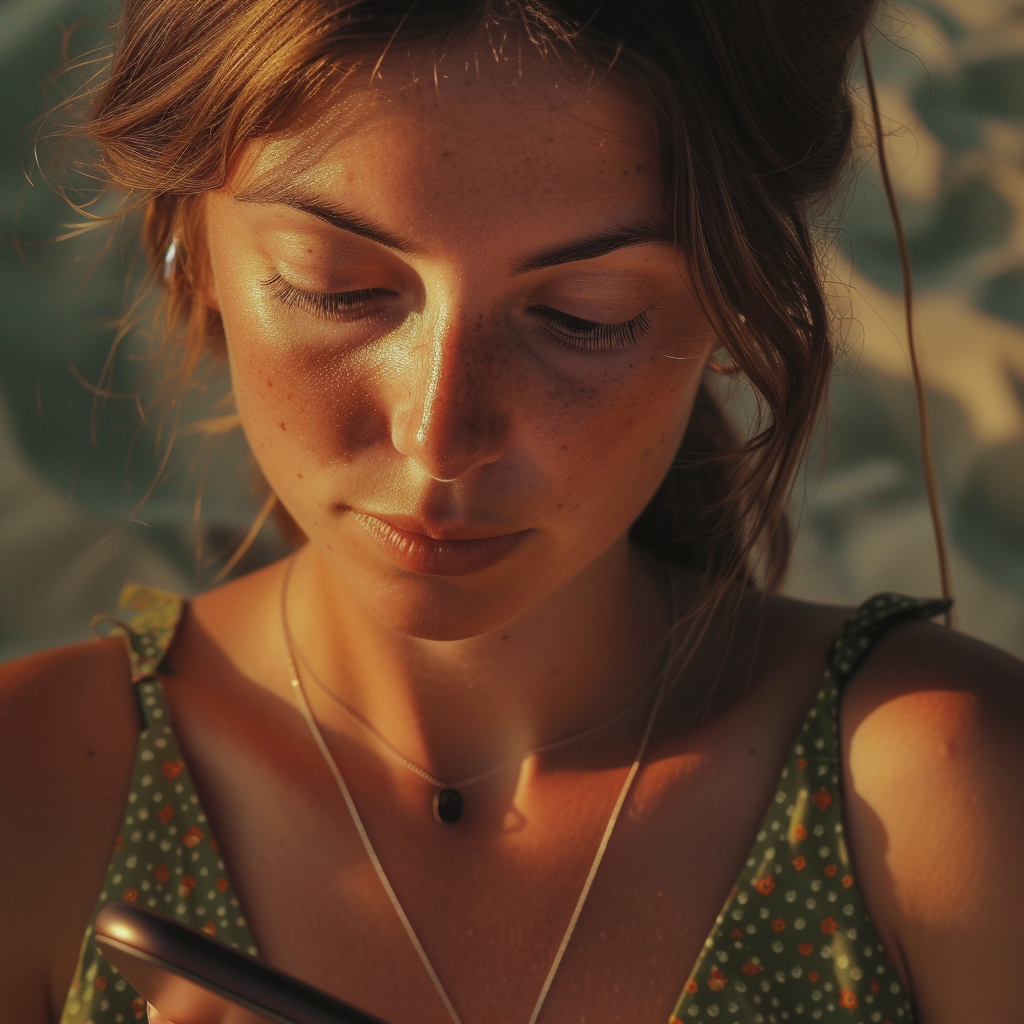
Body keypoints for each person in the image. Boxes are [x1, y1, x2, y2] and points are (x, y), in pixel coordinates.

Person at [2, 2, 1022, 1022]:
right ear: (191, 238)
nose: (439, 435)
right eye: (338, 287)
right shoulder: (35, 796)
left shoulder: (942, 789)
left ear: (733, 300)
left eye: (587, 315)